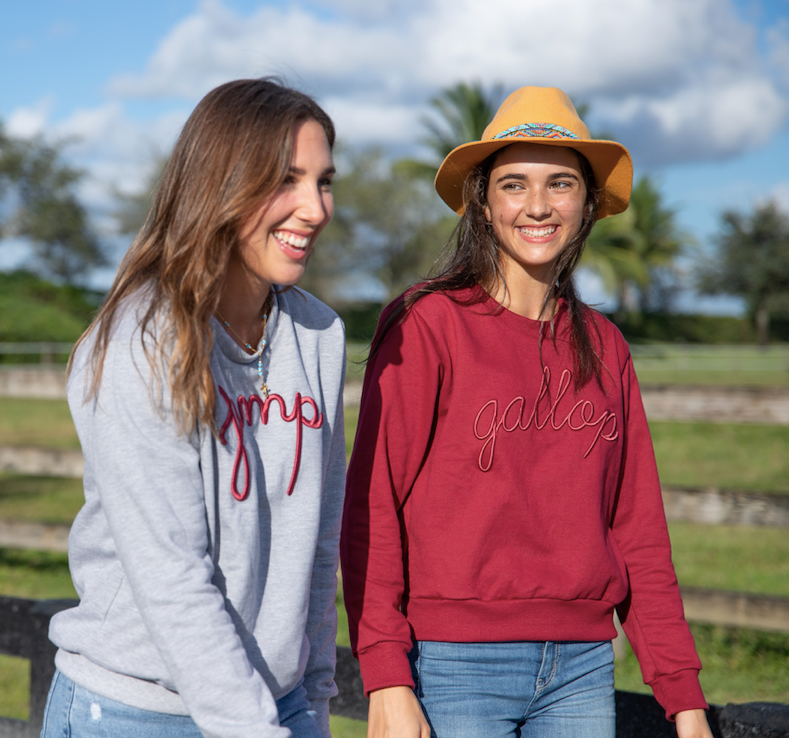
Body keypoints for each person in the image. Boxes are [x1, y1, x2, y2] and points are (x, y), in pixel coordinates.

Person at [340, 86, 713, 738]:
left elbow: (638, 533)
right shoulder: (427, 324)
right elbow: (372, 507)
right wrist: (386, 674)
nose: (537, 205)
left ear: (588, 203)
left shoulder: (605, 347)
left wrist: (684, 699)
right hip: (451, 665)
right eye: (513, 184)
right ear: (483, 203)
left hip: (581, 670)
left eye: (560, 183)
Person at [41, 78, 346, 738]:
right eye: (286, 180)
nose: (315, 208)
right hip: (137, 710)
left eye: (323, 182)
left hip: (280, 702)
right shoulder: (141, 343)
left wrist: (315, 696)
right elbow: (171, 576)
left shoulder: (319, 335)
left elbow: (319, 545)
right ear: (222, 185)